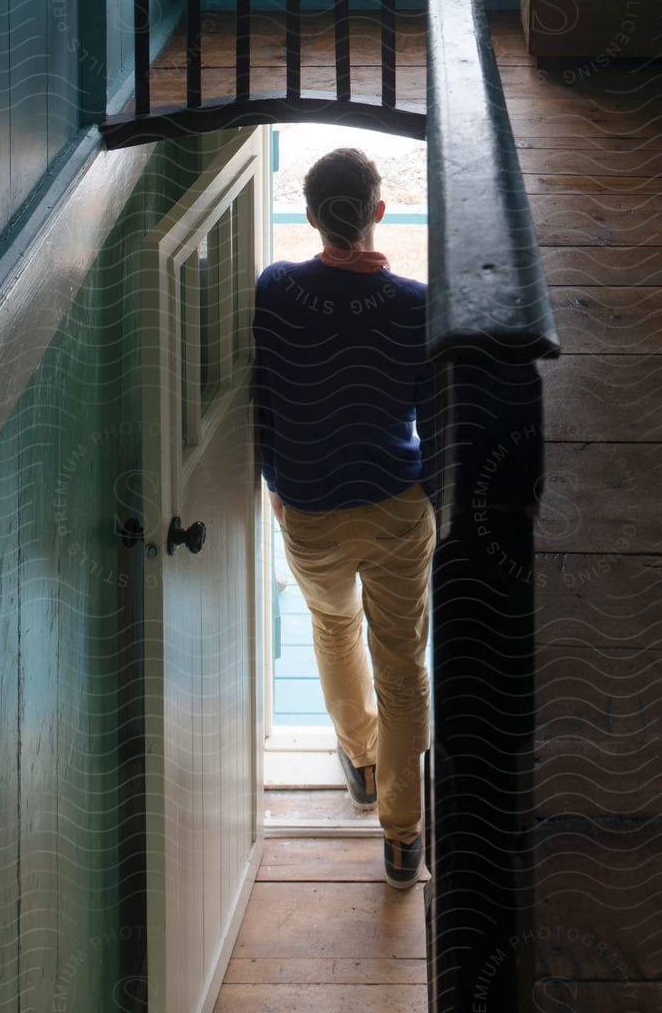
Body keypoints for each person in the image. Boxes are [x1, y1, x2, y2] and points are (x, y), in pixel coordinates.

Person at [252, 146, 435, 890]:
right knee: (403, 666)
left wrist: (275, 479)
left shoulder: (275, 290)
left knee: (332, 626)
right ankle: (403, 834)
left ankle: (360, 759)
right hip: (395, 502)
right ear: (378, 214)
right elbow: (431, 411)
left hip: (310, 508)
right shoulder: (414, 304)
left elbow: (266, 391)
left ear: (308, 214)